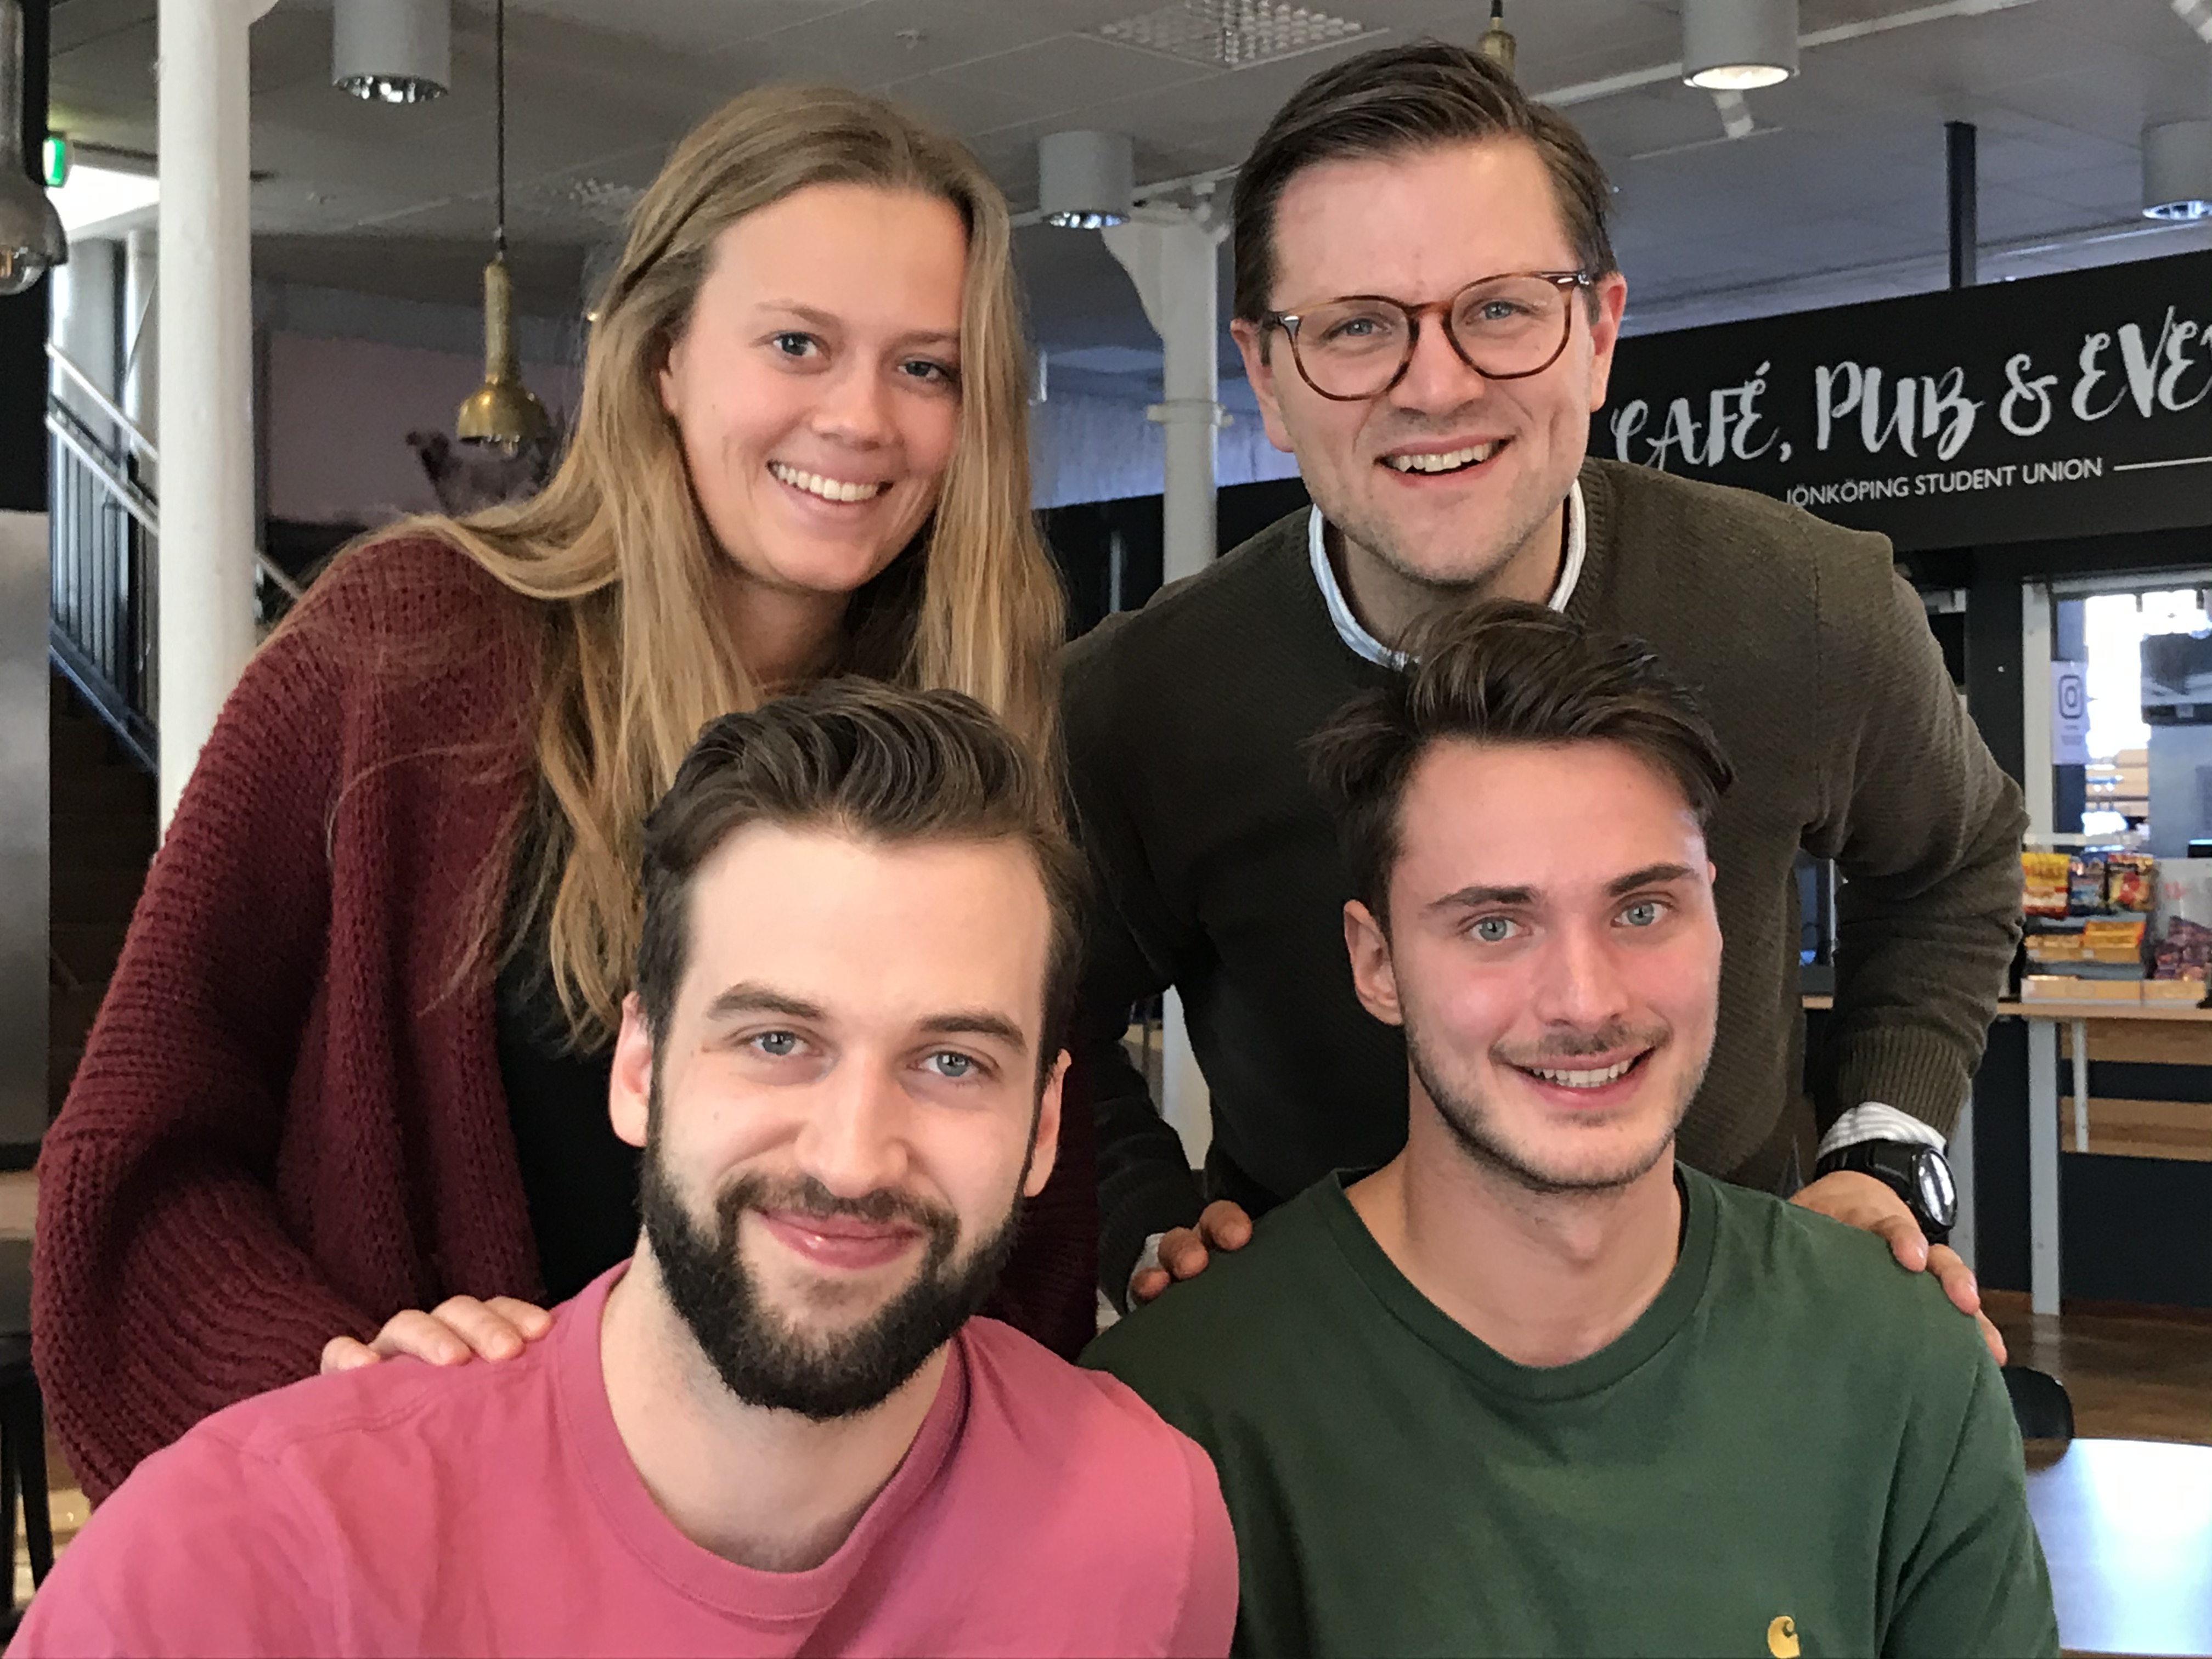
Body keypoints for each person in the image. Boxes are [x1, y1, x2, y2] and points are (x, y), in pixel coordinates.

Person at [35, 84, 1092, 1508]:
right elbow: (141, 1155)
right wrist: (332, 1373)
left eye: (926, 367)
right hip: (436, 1527)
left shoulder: (983, 738)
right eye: (797, 344)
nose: (859, 417)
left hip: (833, 1559)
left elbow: (1030, 1231)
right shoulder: (400, 653)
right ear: (662, 356)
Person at [1066, 41, 2025, 1332]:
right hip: (1312, 1365)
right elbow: (1043, 1007)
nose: (1437, 384)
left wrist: (1886, 1148)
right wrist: (1143, 1211)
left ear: (1599, 333)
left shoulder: (1807, 609)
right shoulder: (1136, 705)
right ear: (1268, 379)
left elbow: (1957, 864)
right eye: (1356, 327)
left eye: (1502, 309)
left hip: (1738, 1335)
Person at [11, 684, 1237, 1659]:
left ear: (1044, 1125)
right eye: (777, 1041)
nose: (852, 1156)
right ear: (640, 1067)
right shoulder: (234, 1567)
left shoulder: (1147, 1525)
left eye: (953, 1062)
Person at [1084, 604, 2056, 1658]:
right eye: (1495, 926)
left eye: (1641, 911)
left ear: (1717, 919)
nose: (1585, 1002)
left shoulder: (1903, 1364)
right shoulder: (1179, 1413)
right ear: (1376, 964)